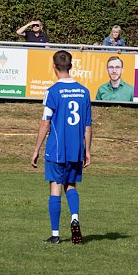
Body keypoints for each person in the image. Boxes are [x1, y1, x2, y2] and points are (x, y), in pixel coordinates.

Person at [30, 50, 92, 245]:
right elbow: (88, 125)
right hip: (76, 149)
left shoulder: (53, 91)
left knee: (55, 188)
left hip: (57, 148)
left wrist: (36, 149)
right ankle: (74, 217)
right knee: (71, 186)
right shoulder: (84, 91)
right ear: (71, 67)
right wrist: (87, 150)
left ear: (54, 67)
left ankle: (56, 234)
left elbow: (45, 123)